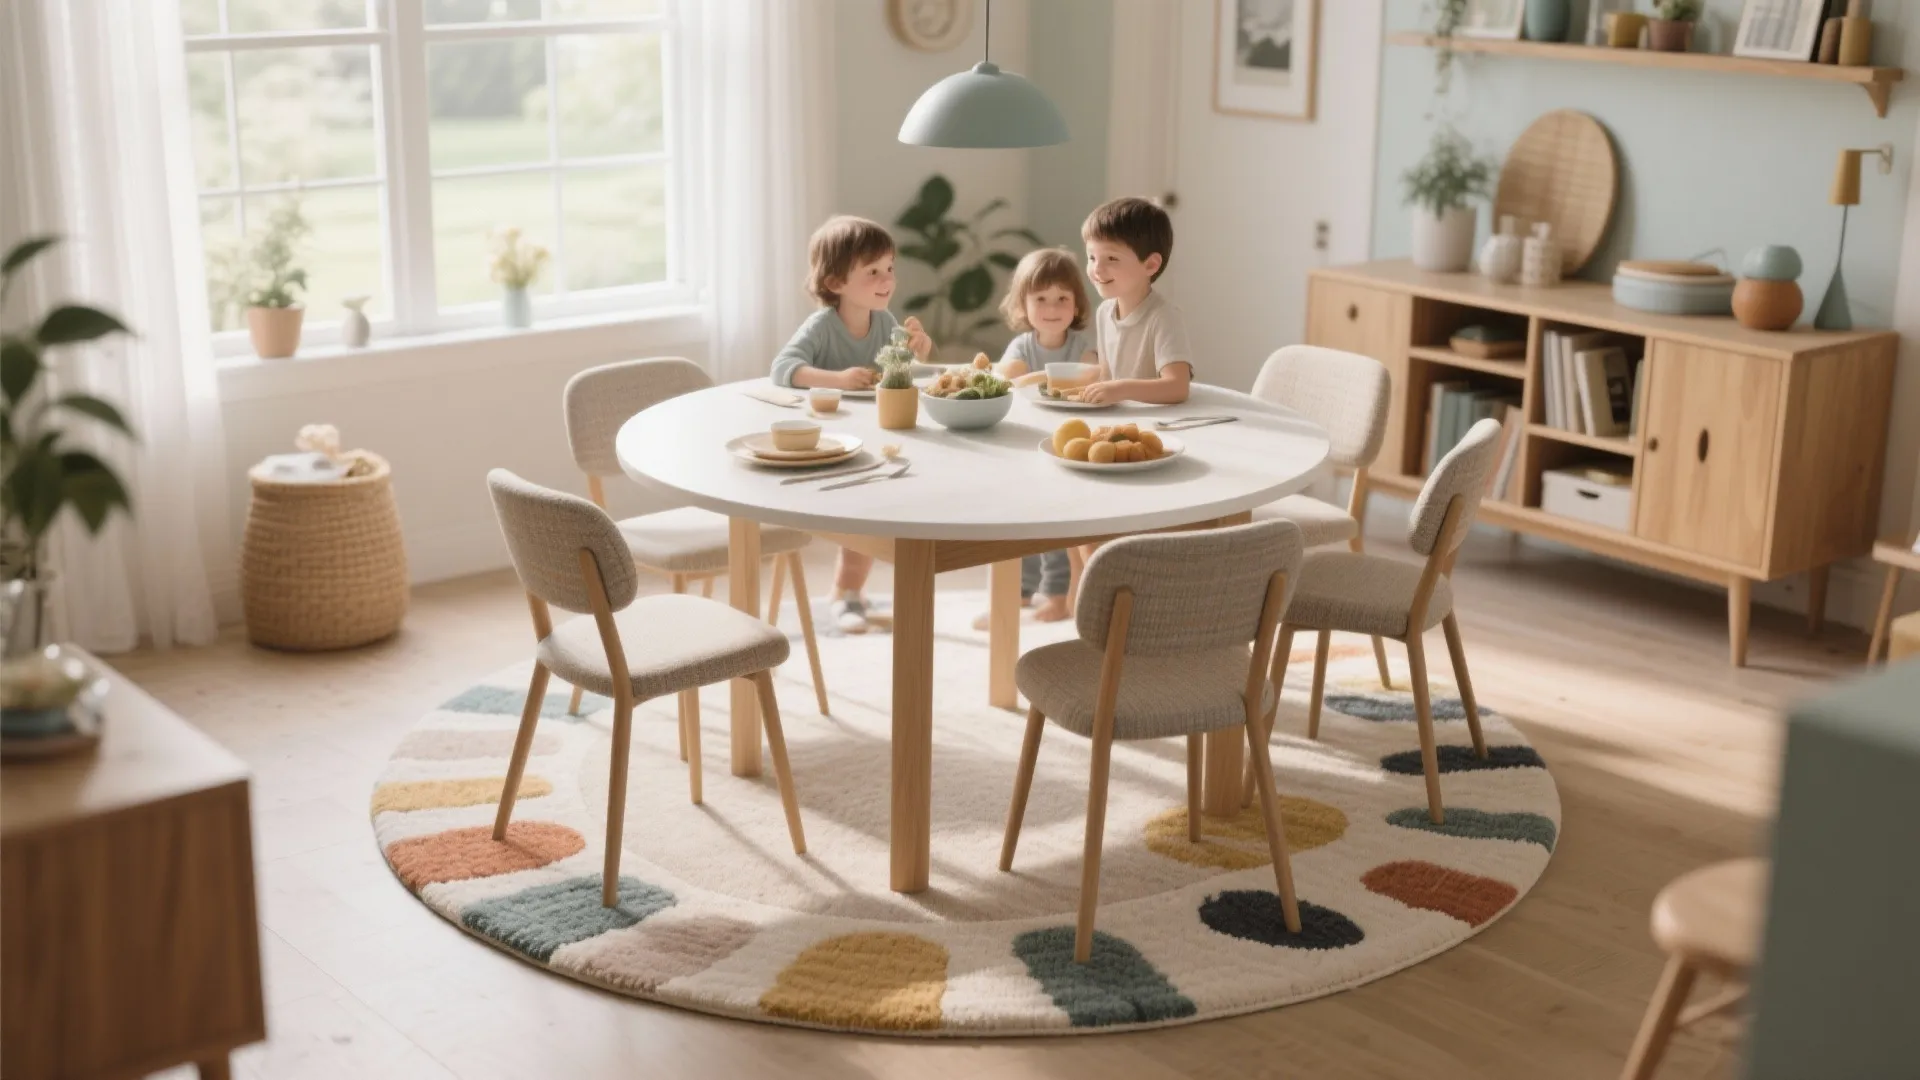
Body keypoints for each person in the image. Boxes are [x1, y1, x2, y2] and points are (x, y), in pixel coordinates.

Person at [771, 215, 933, 633]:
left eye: (889, 268)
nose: (886, 280)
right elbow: (783, 368)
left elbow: (900, 369)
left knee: (885, 513)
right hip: (828, 442)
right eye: (873, 272)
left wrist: (919, 350)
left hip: (872, 436)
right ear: (836, 282)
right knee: (864, 520)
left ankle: (851, 591)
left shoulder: (885, 322)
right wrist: (837, 380)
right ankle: (846, 594)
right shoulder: (822, 326)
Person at [1077, 196, 1193, 406]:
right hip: (1120, 418)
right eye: (1092, 257)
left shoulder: (1164, 317)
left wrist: (1120, 389)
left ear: (1150, 265)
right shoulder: (1104, 312)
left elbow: (1178, 386)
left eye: (1112, 258)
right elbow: (1106, 375)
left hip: (1158, 424)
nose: (1097, 269)